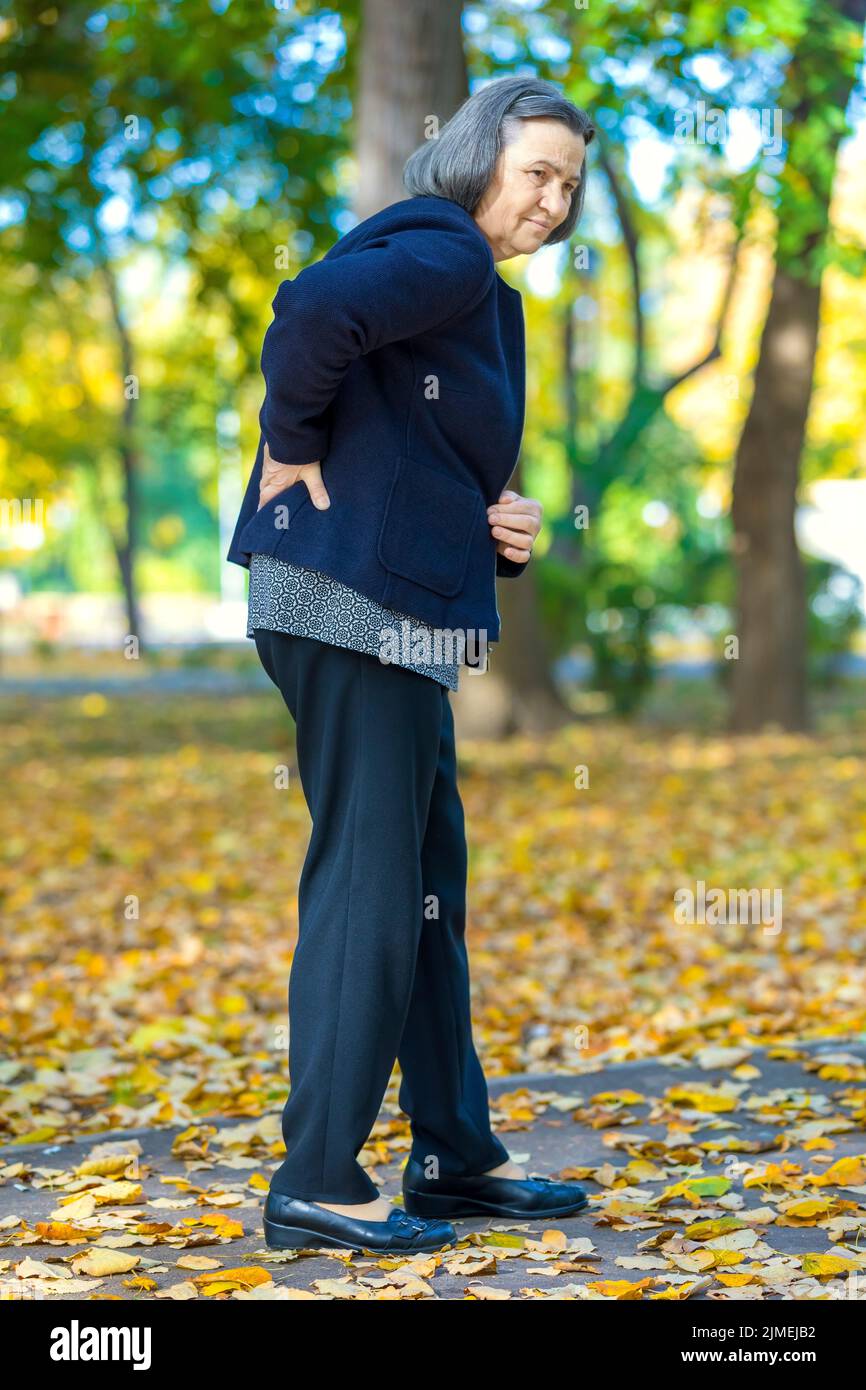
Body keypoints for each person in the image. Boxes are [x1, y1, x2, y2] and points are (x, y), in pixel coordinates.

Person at [227, 76, 596, 1255]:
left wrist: (501, 523)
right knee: (372, 882)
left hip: (399, 613)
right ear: (479, 156)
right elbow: (312, 308)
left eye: (569, 185)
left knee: (427, 876)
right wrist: (288, 447)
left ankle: (454, 1153)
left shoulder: (483, 300)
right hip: (348, 603)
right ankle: (317, 1175)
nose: (551, 199)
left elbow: (425, 447)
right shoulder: (440, 243)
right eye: (536, 170)